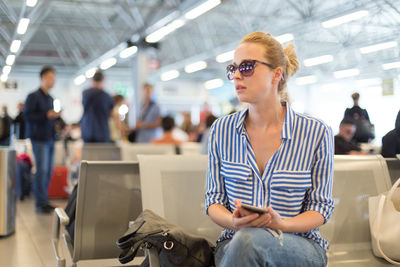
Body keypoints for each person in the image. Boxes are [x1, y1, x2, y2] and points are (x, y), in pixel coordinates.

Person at [205, 32, 334, 267]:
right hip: (234, 243)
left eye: (246, 67)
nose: (236, 75)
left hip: (299, 245)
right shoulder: (221, 130)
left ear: (277, 74)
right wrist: (234, 223)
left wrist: (280, 224)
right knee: (246, 240)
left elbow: (320, 208)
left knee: (249, 241)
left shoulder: (316, 133)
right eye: (232, 68)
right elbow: (214, 200)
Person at [24, 66, 60, 214]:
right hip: (39, 139)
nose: (53, 81)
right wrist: (46, 116)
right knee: (42, 170)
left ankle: (44, 199)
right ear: (43, 78)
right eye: (51, 78)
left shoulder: (50, 98)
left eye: (54, 78)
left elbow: (50, 118)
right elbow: (27, 116)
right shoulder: (33, 97)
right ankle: (40, 202)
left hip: (50, 138)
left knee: (49, 171)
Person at [80, 71, 114, 143]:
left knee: (88, 153)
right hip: (102, 132)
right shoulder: (107, 96)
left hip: (87, 131)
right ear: (103, 80)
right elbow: (111, 114)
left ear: (92, 80)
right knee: (102, 153)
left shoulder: (85, 94)